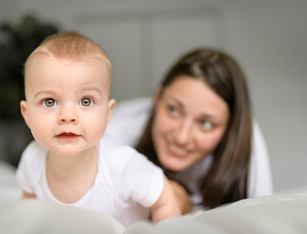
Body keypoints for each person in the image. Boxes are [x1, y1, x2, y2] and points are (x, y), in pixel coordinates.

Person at [16, 31, 180, 227]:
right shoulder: (32, 159)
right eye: (49, 101)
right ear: (26, 114)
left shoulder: (122, 165)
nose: (67, 116)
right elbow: (29, 207)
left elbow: (165, 198)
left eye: (86, 101)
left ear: (108, 114)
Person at [105, 48, 273, 212]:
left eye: (206, 124)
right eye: (173, 110)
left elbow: (262, 218)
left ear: (230, 128)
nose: (181, 137)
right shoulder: (114, 129)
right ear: (158, 97)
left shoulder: (246, 140)